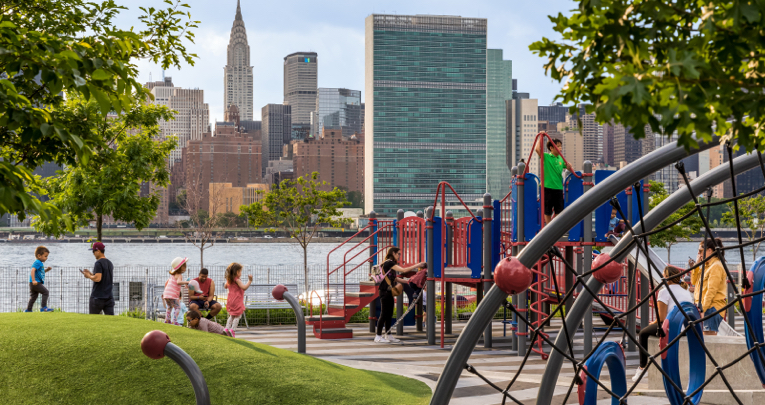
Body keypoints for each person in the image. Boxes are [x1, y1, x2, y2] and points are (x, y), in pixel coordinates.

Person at [633, 266, 694, 382]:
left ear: (667, 278)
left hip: (672, 328)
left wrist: (653, 322)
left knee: (643, 333)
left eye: (663, 276)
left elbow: (662, 317)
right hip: (685, 328)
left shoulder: (664, 291)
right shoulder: (685, 290)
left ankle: (642, 367)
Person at [375, 247, 425, 344]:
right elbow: (403, 270)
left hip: (389, 291)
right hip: (384, 291)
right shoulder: (389, 263)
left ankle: (388, 335)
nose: (399, 256)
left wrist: (408, 281)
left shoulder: (390, 265)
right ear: (393, 253)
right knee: (384, 314)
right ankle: (378, 336)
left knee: (389, 314)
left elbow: (395, 279)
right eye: (398, 254)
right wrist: (418, 265)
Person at [688, 238, 727, 335]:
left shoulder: (716, 266)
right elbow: (694, 281)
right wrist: (696, 265)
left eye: (701, 251)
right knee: (704, 340)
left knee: (708, 341)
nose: (699, 254)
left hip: (711, 307)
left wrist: (702, 309)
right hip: (705, 307)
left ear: (710, 250)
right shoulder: (706, 265)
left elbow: (711, 291)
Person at [535, 137, 575, 224]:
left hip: (558, 188)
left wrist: (569, 166)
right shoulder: (546, 156)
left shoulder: (561, 158)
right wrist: (540, 137)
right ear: (551, 148)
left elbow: (569, 167)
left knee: (559, 210)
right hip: (547, 187)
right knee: (547, 210)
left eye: (561, 146)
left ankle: (554, 227)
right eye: (558, 146)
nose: (560, 148)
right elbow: (537, 149)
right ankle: (549, 229)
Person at [82, 242, 115, 315]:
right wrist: (91, 273)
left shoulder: (98, 263)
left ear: (98, 251)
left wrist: (88, 276)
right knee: (110, 320)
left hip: (98, 297)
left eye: (93, 251)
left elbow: (98, 279)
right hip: (109, 297)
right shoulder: (110, 263)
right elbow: (103, 277)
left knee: (93, 319)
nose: (93, 253)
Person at [223, 262, 252, 338]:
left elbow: (225, 286)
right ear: (237, 272)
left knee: (232, 315)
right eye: (240, 271)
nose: (241, 273)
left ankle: (226, 328)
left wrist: (227, 281)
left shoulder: (229, 280)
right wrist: (250, 281)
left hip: (230, 300)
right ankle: (233, 329)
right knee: (238, 316)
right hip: (237, 300)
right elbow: (244, 287)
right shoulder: (237, 280)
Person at [163, 257, 190, 325]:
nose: (185, 267)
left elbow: (167, 283)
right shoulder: (179, 275)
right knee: (177, 307)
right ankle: (174, 321)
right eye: (184, 266)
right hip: (173, 295)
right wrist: (187, 282)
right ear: (181, 267)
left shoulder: (172, 275)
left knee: (169, 306)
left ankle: (167, 320)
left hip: (166, 294)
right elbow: (178, 282)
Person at [27, 246, 54, 312]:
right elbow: (32, 270)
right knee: (45, 292)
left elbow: (41, 272)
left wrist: (47, 270)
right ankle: (43, 307)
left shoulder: (39, 263)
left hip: (33, 283)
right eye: (45, 256)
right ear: (39, 256)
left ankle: (28, 310)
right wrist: (34, 280)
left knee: (33, 297)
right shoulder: (38, 262)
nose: (46, 258)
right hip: (35, 283)